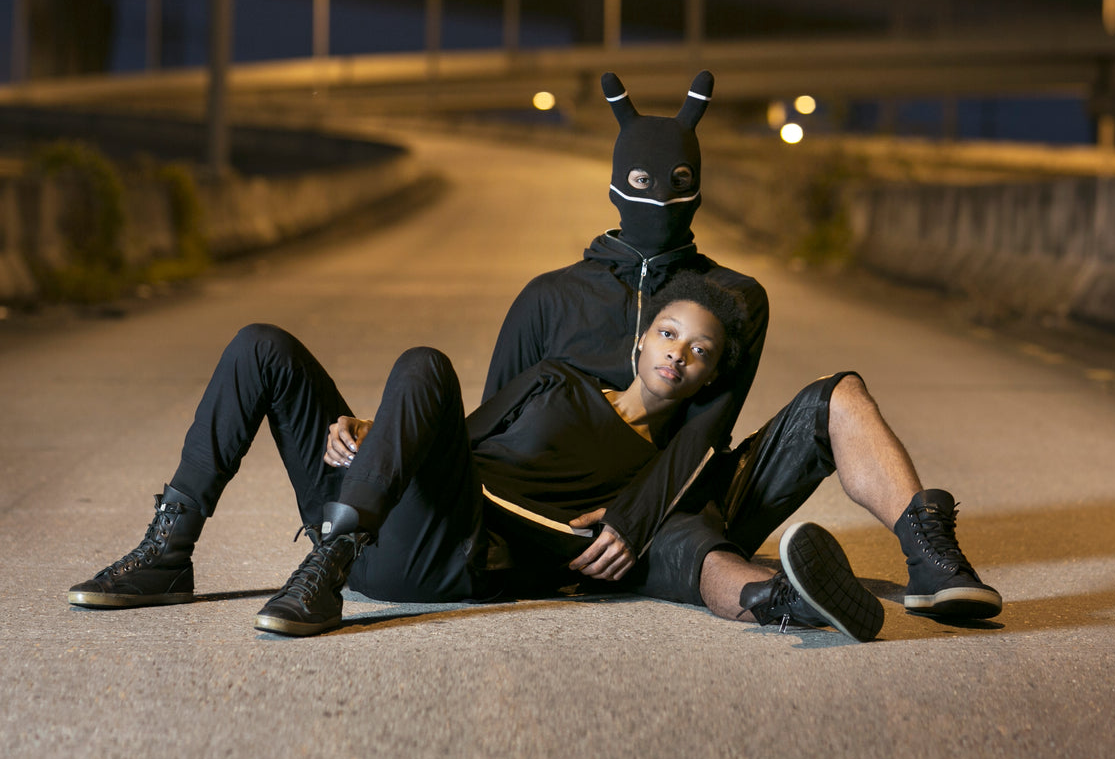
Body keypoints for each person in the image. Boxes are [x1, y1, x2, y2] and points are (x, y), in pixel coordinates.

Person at [68, 274, 885, 641]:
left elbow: (676, 548)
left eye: (699, 351)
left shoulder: (661, 472)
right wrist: (372, 428)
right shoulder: (552, 376)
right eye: (669, 334)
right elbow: (455, 432)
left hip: (442, 554)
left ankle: (331, 565)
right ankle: (170, 550)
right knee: (262, 347)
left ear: (711, 376)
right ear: (641, 340)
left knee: (423, 357)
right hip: (393, 505)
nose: (679, 353)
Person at [483, 70, 1002, 623]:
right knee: (698, 551)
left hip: (690, 493)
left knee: (842, 396)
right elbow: (498, 437)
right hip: (576, 527)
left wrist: (636, 517)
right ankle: (793, 601)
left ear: (698, 183)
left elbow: (707, 430)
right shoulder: (549, 297)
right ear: (615, 183)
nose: (659, 196)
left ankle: (933, 561)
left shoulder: (732, 299)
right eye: (640, 178)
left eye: (679, 178)